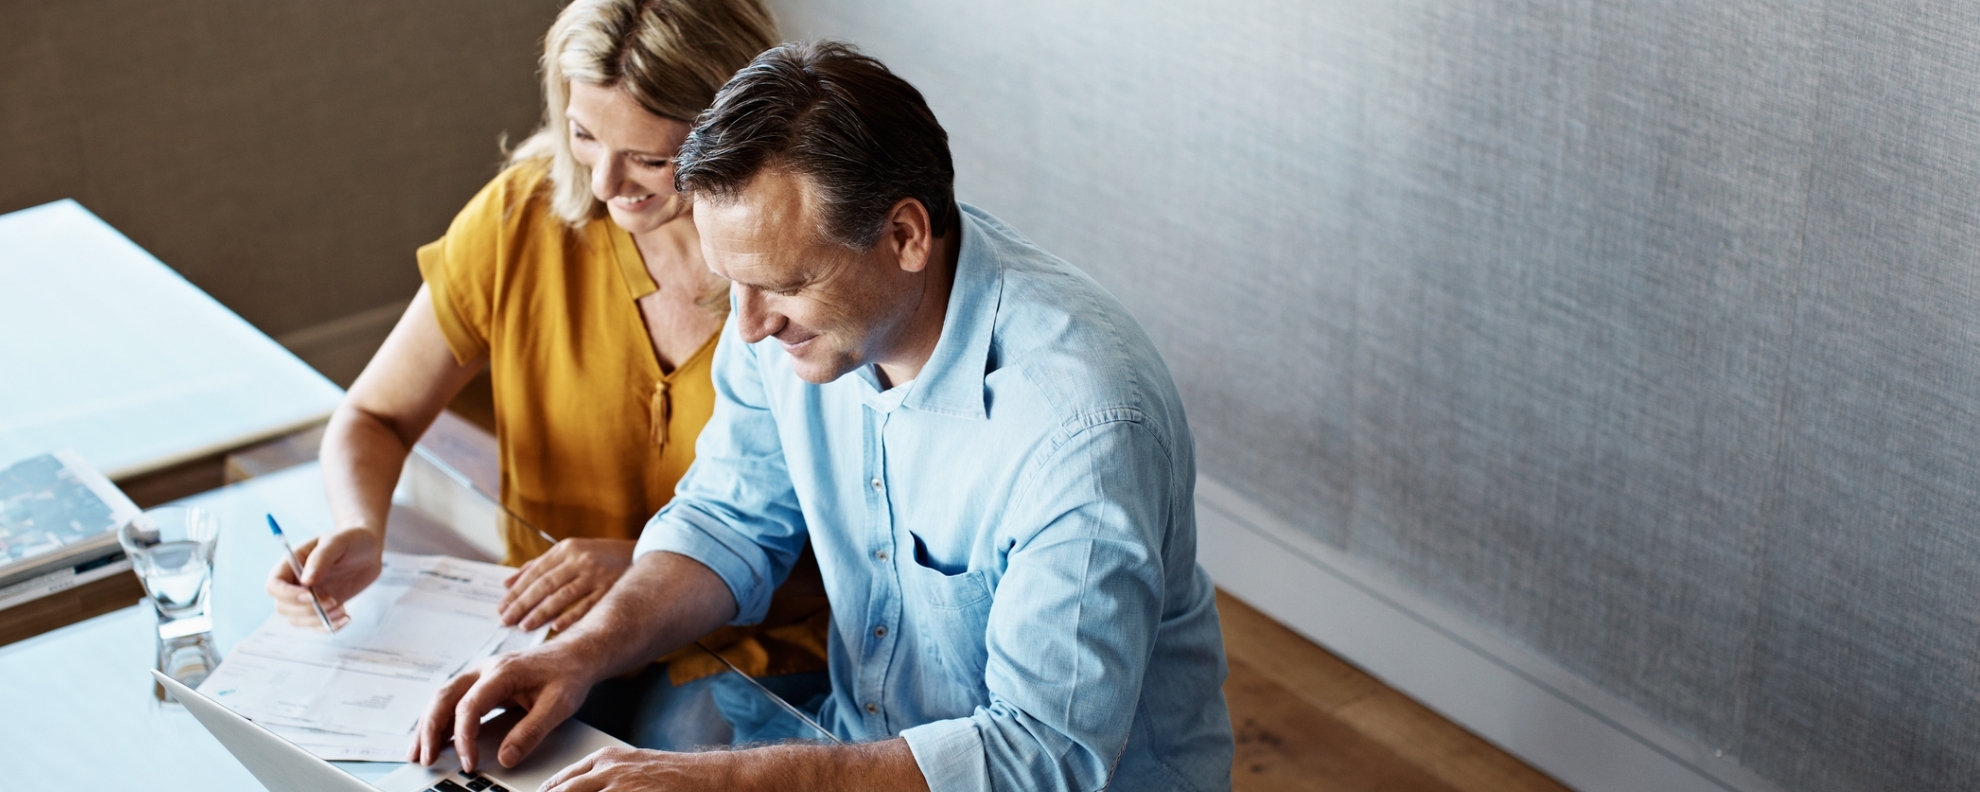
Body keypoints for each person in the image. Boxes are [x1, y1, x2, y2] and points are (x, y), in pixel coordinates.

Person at [412, 41, 1235, 791]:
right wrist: (576, 653)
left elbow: (1041, 755)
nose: (749, 326)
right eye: (732, 282)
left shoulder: (1080, 429)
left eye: (782, 284)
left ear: (906, 234)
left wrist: (727, 784)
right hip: (863, 744)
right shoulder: (791, 320)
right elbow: (726, 521)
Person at [264, 0, 830, 748]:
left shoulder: (802, 262)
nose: (604, 184)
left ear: (743, 127)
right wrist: (361, 528)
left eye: (652, 159)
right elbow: (377, 415)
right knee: (451, 743)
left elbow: (857, 535)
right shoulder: (518, 220)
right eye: (584, 136)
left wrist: (646, 566)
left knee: (683, 743)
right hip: (550, 625)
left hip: (746, 635)